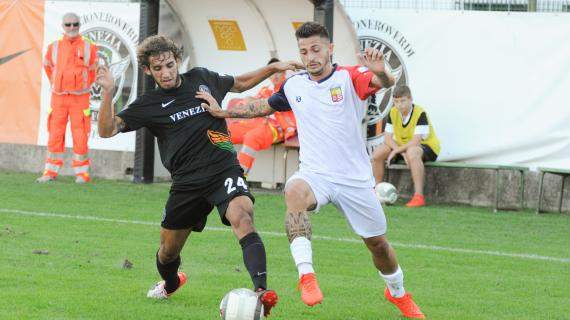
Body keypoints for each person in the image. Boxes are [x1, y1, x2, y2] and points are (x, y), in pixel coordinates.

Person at [200, 22, 425, 319]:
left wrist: (382, 71)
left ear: (329, 49)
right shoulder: (294, 85)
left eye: (316, 49)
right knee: (293, 191)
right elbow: (262, 107)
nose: (310, 57)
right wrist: (222, 111)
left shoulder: (348, 77)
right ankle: (306, 276)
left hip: (354, 179)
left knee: (378, 245)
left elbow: (381, 82)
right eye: (304, 51)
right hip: (315, 174)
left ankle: (397, 293)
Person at [95, 35, 302, 316]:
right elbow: (107, 130)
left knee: (243, 214)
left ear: (177, 60)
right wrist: (108, 93)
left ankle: (261, 293)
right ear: (147, 70)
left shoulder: (202, 78)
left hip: (223, 169)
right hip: (187, 184)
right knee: (167, 253)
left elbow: (240, 82)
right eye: (158, 69)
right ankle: (170, 282)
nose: (166, 72)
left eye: (169, 64)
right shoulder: (149, 104)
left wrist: (273, 68)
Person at [37, 12, 98, 183]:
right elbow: (48, 68)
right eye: (68, 24)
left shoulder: (89, 46)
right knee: (55, 134)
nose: (72, 27)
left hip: (80, 99)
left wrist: (81, 87)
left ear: (79, 25)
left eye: (75, 24)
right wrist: (59, 84)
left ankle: (82, 173)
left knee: (80, 135)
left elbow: (94, 70)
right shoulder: (54, 46)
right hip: (59, 98)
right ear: (63, 26)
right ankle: (50, 172)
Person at [372, 85, 440, 208]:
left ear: (410, 99)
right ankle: (376, 191)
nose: (399, 105)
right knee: (378, 153)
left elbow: (416, 141)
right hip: (403, 147)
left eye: (403, 101)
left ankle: (418, 197)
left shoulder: (420, 113)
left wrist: (397, 151)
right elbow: (387, 138)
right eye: (396, 102)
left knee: (412, 152)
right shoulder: (393, 112)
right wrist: (401, 152)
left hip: (426, 146)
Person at [227, 58, 297, 175]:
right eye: (272, 72)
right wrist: (249, 99)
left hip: (278, 128)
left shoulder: (290, 87)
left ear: (284, 72)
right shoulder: (266, 89)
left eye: (278, 72)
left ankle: (238, 177)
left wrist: (259, 102)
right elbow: (254, 103)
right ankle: (212, 173)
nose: (275, 76)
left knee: (252, 137)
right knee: (226, 132)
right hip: (258, 123)